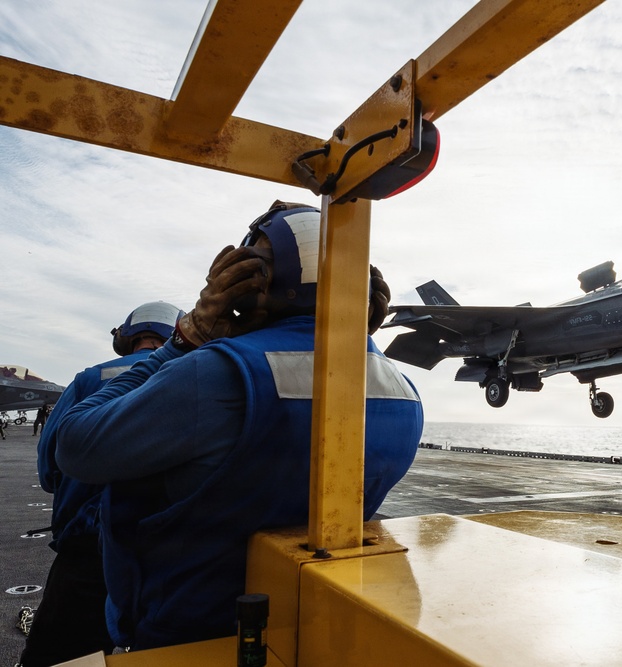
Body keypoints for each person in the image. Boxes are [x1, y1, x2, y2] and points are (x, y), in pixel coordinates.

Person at [56, 201, 423, 652]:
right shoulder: (403, 389)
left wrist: (182, 341)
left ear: (249, 285)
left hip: (183, 627)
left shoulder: (214, 373)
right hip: (305, 625)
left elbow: (73, 447)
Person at [20, 302, 184, 667]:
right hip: (163, 562)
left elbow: (49, 472)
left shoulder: (87, 381)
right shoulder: (191, 375)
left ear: (124, 337)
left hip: (84, 561)